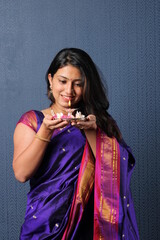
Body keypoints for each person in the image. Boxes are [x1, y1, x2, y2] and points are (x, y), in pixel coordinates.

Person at [13, 48, 140, 240]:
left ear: (87, 85)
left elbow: (118, 171)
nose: (69, 91)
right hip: (44, 221)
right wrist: (46, 131)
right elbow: (21, 173)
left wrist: (92, 131)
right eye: (62, 81)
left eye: (77, 84)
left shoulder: (100, 122)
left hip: (91, 225)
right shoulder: (34, 121)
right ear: (50, 79)